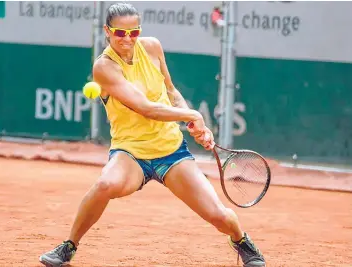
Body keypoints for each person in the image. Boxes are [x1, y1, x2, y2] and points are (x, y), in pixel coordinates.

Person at [39, 3, 265, 267]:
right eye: (120, 33)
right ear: (107, 32)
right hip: (130, 153)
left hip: (172, 153)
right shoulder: (104, 67)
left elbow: (170, 92)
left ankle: (240, 240)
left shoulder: (153, 48)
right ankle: (69, 246)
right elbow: (145, 108)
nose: (127, 39)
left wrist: (193, 124)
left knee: (221, 218)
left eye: (133, 33)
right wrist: (192, 116)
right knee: (104, 185)